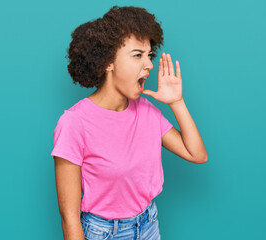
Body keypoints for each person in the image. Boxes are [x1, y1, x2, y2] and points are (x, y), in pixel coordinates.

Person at [51, 5, 208, 240]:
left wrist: (177, 102)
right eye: (137, 55)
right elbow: (69, 216)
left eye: (149, 55)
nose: (149, 65)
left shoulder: (146, 111)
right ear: (107, 62)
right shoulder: (74, 123)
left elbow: (197, 155)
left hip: (148, 224)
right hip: (104, 233)